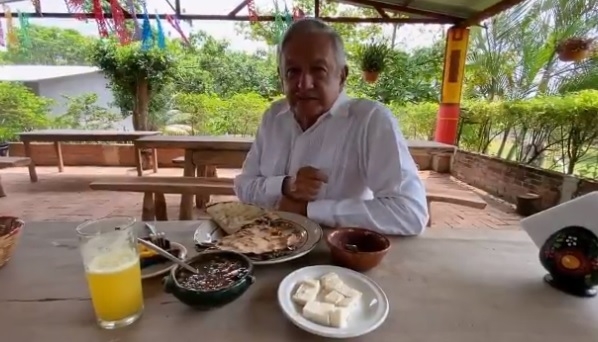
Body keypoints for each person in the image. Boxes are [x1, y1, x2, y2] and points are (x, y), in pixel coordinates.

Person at [233, 18, 428, 235]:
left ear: (342, 76)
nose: (304, 84)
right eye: (292, 72)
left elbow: (409, 212)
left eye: (318, 70)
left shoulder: (370, 121)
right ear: (281, 78)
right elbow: (243, 187)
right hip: (264, 247)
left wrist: (309, 210)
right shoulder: (273, 117)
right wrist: (286, 185)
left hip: (335, 260)